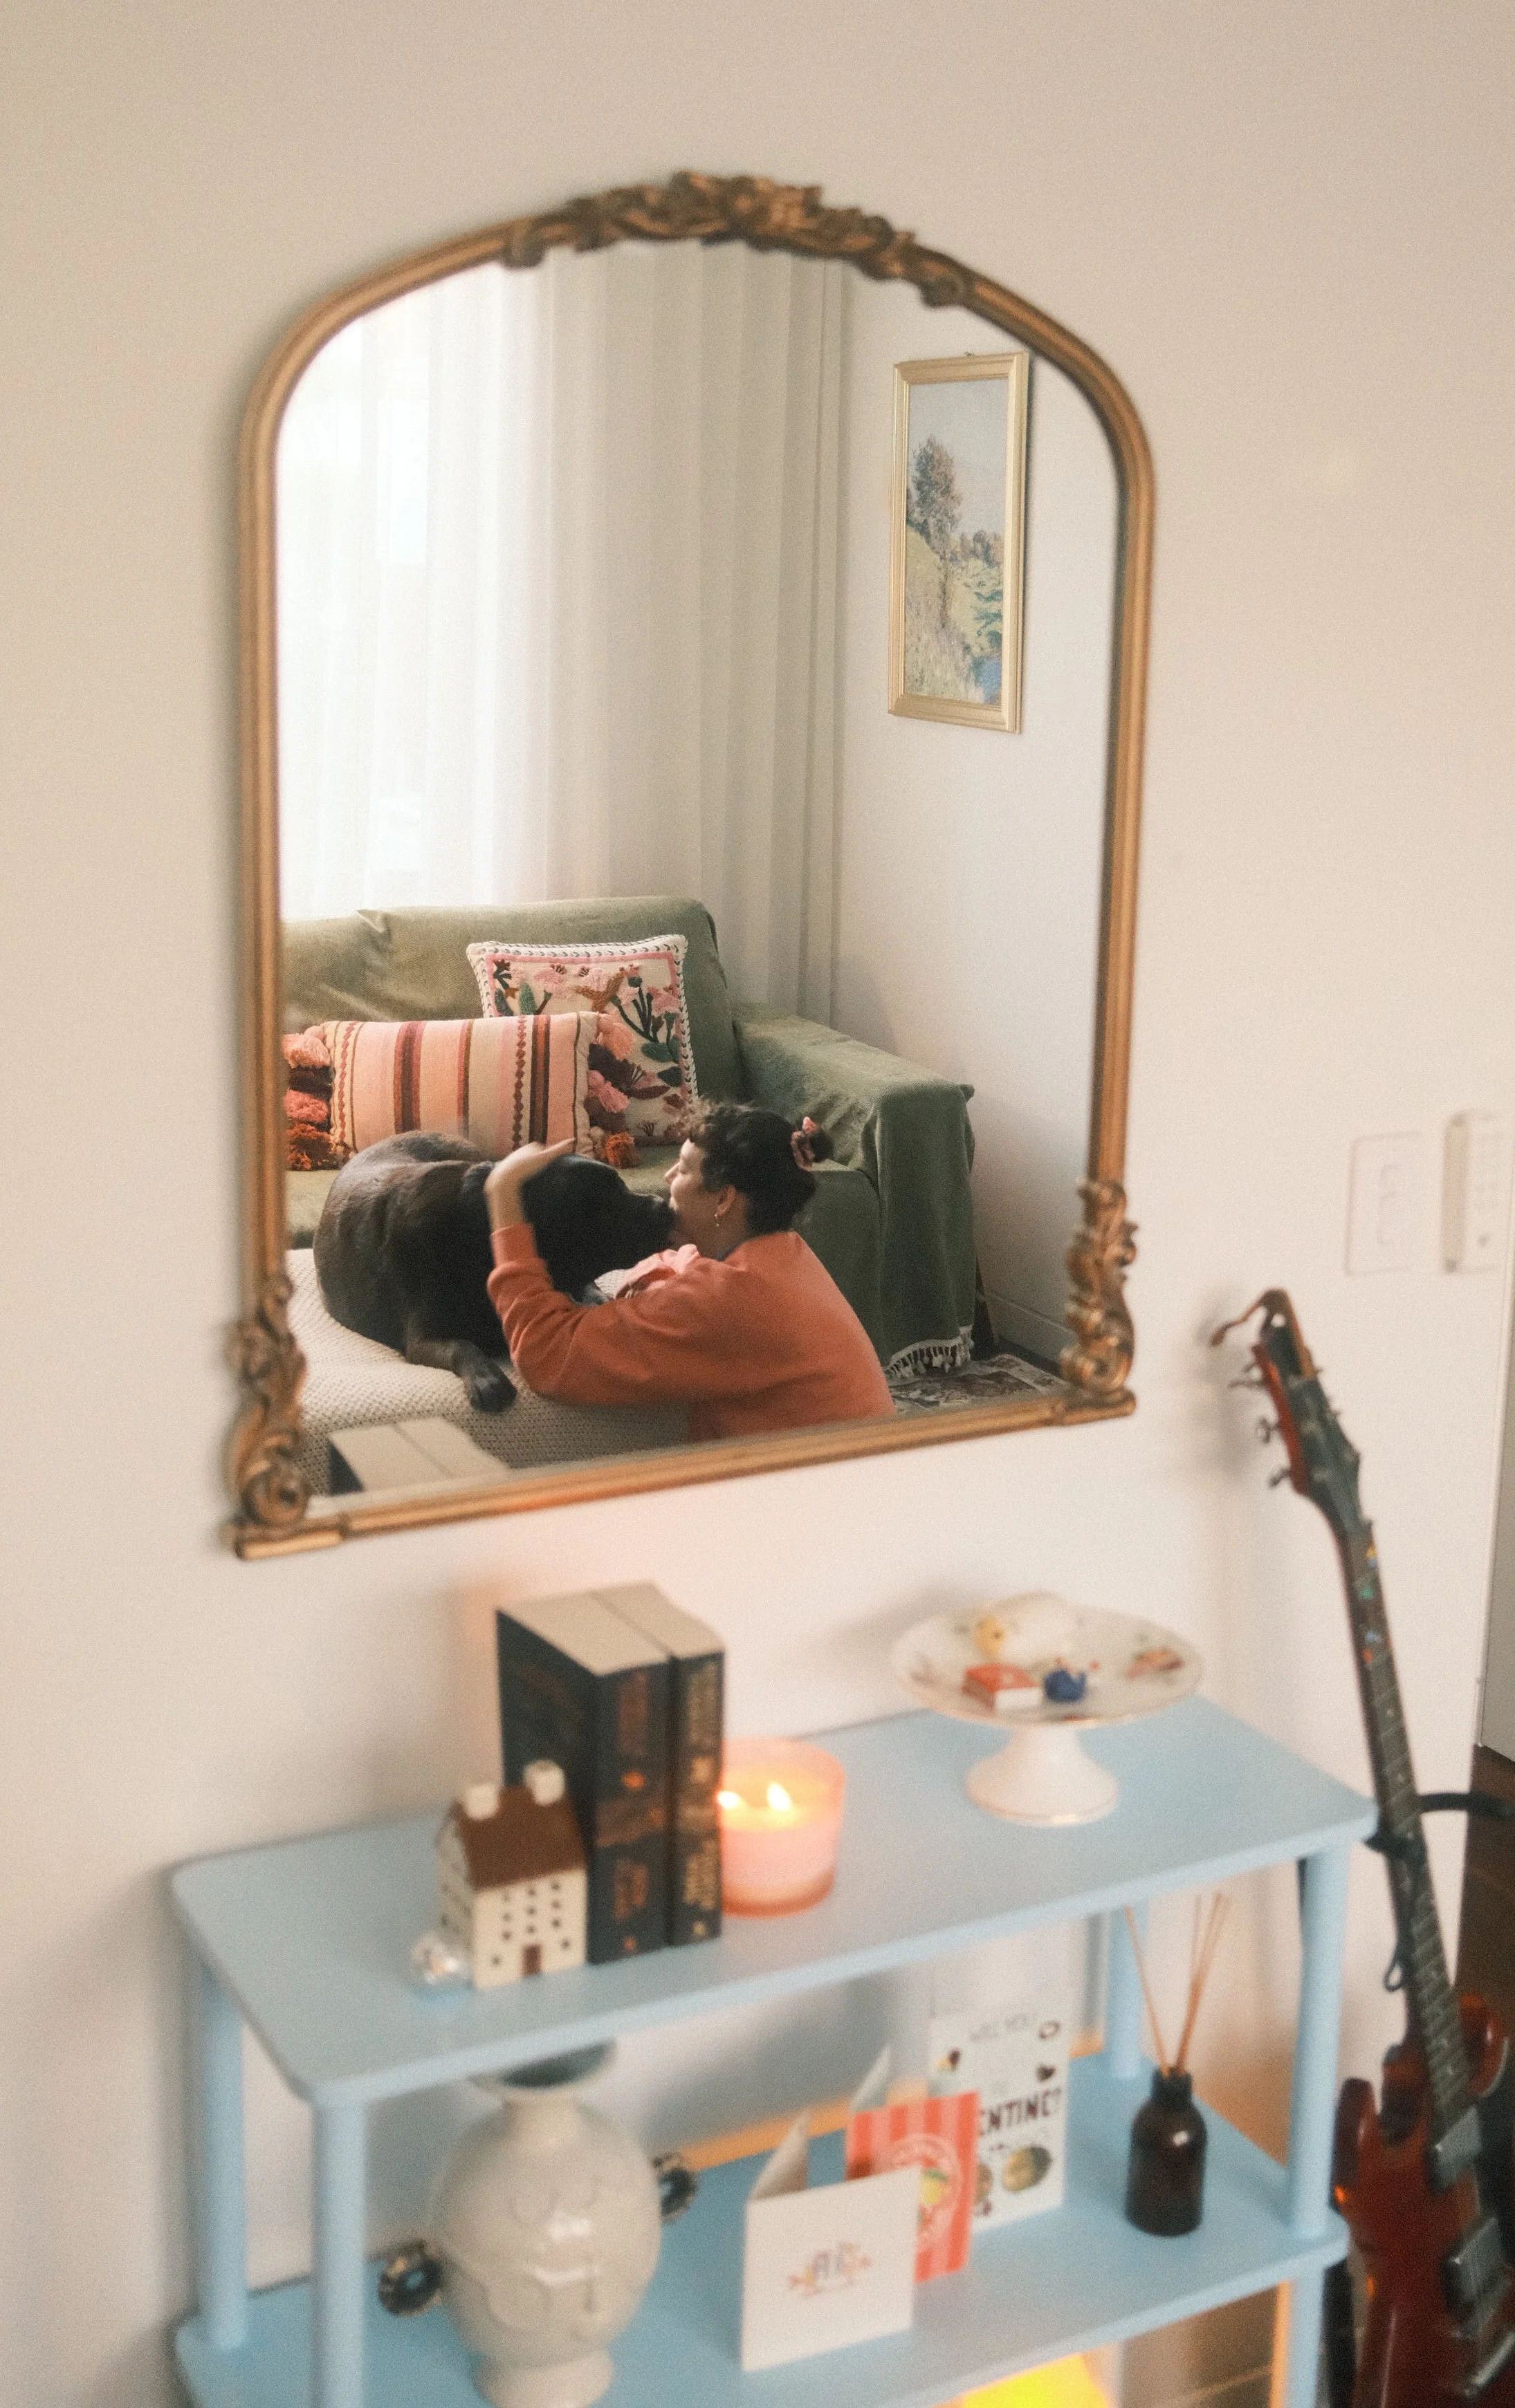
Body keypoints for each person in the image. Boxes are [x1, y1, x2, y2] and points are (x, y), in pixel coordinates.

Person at [484, 1102, 894, 1440]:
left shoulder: (726, 1299)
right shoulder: (782, 1253)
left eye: (682, 1168)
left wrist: (502, 1195)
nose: (667, 1178)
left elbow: (549, 1355)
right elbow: (688, 1265)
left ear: (724, 1198)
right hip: (853, 1475)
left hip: (815, 1504)